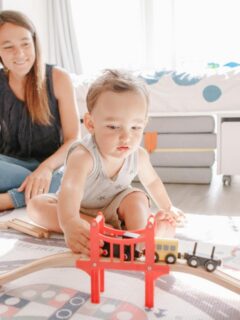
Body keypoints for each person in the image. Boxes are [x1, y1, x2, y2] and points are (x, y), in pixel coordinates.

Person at [27, 69, 184, 254]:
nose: (126, 137)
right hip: (77, 209)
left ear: (144, 124)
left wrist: (168, 207)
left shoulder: (138, 156)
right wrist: (69, 223)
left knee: (137, 198)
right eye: (113, 127)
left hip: (115, 206)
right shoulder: (83, 156)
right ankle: (101, 229)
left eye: (135, 127)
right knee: (36, 206)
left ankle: (141, 235)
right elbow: (70, 191)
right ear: (91, 124)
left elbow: (152, 182)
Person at [0, 10, 80, 212]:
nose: (20, 54)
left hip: (53, 165)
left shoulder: (58, 78)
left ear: (35, 42)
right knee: (66, 184)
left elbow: (74, 139)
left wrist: (45, 169)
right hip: (12, 165)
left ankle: (10, 200)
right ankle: (38, 190)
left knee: (74, 174)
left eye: (26, 44)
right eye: (8, 47)